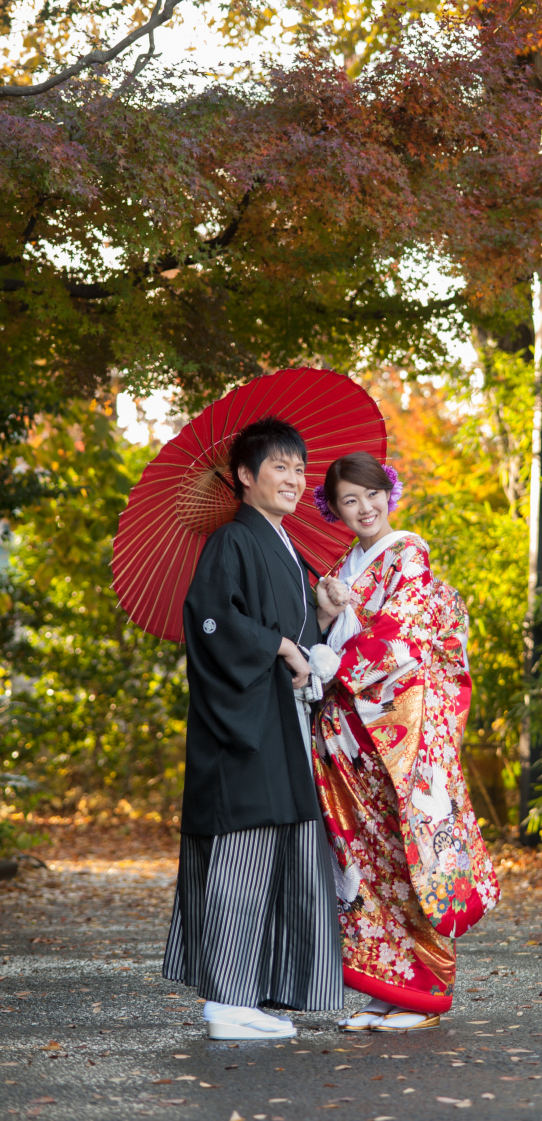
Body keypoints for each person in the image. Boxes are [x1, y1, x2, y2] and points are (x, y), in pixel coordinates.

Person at [162, 416, 347, 1040]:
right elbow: (212, 623)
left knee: (274, 855)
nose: (295, 478)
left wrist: (315, 623)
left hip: (277, 721)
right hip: (240, 728)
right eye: (280, 467)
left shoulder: (285, 546)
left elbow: (294, 642)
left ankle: (251, 993)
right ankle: (224, 1001)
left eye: (300, 468)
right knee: (240, 855)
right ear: (244, 476)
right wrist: (280, 646)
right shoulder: (231, 541)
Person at [311, 452, 500, 1033]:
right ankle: (389, 989)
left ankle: (428, 988)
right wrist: (323, 615)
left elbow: (400, 639)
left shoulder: (409, 557)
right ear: (335, 509)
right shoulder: (343, 568)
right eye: (349, 500)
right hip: (349, 739)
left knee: (407, 855)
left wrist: (336, 659)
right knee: (365, 864)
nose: (364, 508)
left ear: (388, 493)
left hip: (398, 733)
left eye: (371, 494)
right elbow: (326, 635)